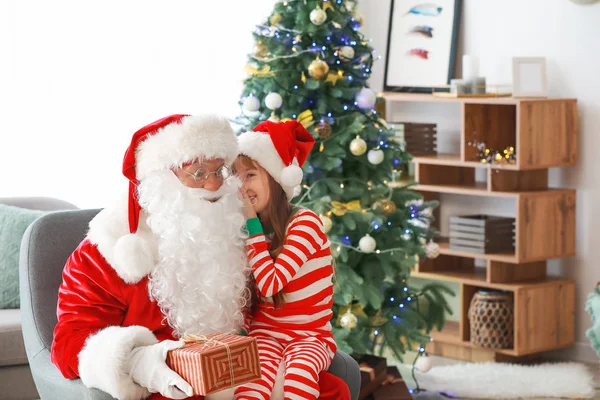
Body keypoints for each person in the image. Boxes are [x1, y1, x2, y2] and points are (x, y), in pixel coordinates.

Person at [50, 114, 350, 400]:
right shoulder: (108, 251)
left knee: (329, 389)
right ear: (161, 181)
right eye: (198, 173)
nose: (214, 185)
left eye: (220, 171)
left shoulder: (233, 233)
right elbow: (69, 345)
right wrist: (141, 361)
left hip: (242, 372)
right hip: (170, 389)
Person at [232, 120, 336, 400]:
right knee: (251, 385)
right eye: (236, 176)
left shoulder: (305, 223)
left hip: (309, 337)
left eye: (250, 175)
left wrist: (251, 224)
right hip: (265, 335)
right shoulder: (246, 230)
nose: (241, 187)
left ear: (276, 180)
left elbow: (270, 285)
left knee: (298, 380)